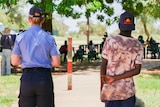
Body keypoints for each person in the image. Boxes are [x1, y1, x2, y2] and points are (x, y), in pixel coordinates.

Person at [11, 6, 60, 107]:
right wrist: (45, 61)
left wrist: (26, 59)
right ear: (43, 20)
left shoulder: (20, 37)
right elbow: (56, 62)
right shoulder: (49, 38)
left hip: (27, 78)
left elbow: (14, 61)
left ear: (29, 19)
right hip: (44, 78)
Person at [100, 11, 144, 107]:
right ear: (133, 26)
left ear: (119, 25)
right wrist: (115, 78)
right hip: (127, 92)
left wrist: (102, 87)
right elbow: (137, 70)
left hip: (110, 91)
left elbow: (103, 64)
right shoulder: (138, 45)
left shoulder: (110, 41)